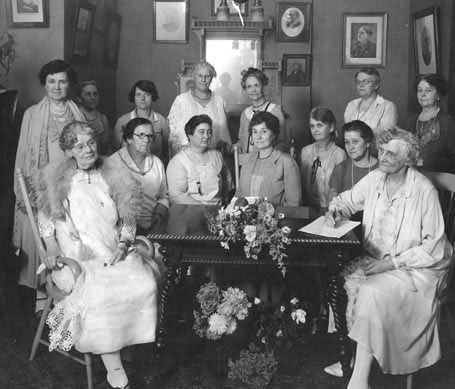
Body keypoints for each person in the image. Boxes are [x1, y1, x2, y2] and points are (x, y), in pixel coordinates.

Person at [36, 121, 161, 389]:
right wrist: (51, 249)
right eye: (79, 145)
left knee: (144, 282)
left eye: (91, 142)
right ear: (69, 151)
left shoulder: (112, 174)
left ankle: (127, 342)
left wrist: (124, 243)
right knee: (100, 293)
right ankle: (115, 371)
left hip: (112, 248)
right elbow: (46, 218)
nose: (87, 149)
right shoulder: (58, 179)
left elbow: (128, 217)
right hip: (76, 255)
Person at [324, 128, 452, 387]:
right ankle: (349, 356)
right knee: (337, 277)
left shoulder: (423, 190)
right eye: (381, 151)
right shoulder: (375, 179)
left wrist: (391, 263)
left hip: (415, 267)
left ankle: (358, 379)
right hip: (376, 258)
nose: (382, 157)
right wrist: (335, 211)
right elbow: (347, 201)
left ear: (408, 159)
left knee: (370, 291)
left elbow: (434, 246)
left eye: (390, 154)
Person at [13, 59, 85, 315]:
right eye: (51, 81)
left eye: (62, 81)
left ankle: (71, 292)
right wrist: (25, 191)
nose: (56, 87)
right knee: (44, 240)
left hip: (72, 185)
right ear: (44, 84)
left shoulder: (78, 112)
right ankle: (43, 294)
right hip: (42, 186)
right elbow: (23, 155)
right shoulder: (32, 114)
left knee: (73, 236)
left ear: (69, 84)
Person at [105, 117, 169, 235]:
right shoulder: (112, 164)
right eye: (141, 135)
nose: (146, 140)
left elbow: (163, 196)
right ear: (129, 138)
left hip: (153, 226)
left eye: (150, 136)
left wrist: (158, 214)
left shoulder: (157, 163)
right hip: (121, 230)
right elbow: (106, 204)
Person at [236, 111, 301, 206]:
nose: (258, 136)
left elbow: (294, 204)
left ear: (274, 134)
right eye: (255, 131)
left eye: (264, 131)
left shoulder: (286, 162)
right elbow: (238, 198)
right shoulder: (247, 161)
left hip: (277, 219)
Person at [168, 61, 232, 158]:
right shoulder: (181, 101)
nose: (203, 79)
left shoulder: (219, 101)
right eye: (200, 76)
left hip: (213, 158)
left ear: (212, 78)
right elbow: (173, 134)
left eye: (207, 76)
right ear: (193, 77)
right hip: (186, 158)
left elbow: (223, 134)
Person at [167, 114, 233, 205]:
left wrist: (226, 204)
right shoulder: (178, 162)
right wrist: (204, 210)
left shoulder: (216, 155)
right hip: (191, 211)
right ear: (190, 134)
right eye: (201, 132)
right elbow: (177, 195)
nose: (206, 136)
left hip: (219, 209)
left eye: (209, 132)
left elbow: (227, 180)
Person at [405, 73, 455, 172]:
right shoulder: (411, 121)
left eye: (428, 90)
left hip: (440, 179)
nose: (423, 94)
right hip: (412, 175)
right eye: (420, 90)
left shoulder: (447, 122)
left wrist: (424, 162)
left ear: (438, 95)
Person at [113, 80, 170, 164]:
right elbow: (115, 150)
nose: (142, 98)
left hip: (154, 168)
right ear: (134, 97)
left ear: (152, 96)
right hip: (128, 168)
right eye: (138, 94)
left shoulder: (161, 120)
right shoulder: (122, 121)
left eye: (147, 94)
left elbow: (166, 151)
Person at [300, 107, 346, 208]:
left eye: (319, 125)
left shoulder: (339, 155)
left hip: (328, 208)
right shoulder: (305, 152)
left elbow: (338, 190)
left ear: (331, 127)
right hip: (306, 208)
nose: (315, 130)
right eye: (312, 126)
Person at [237, 67, 287, 154]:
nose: (253, 90)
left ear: (263, 86)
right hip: (247, 163)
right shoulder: (245, 114)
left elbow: (282, 142)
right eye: (249, 86)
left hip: (268, 163)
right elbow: (242, 141)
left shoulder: (274, 110)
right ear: (245, 90)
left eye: (256, 85)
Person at [329, 120, 378, 201]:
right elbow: (333, 203)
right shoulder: (340, 169)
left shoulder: (381, 169)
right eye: (347, 142)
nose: (350, 147)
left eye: (355, 142)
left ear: (368, 142)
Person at [344, 67, 397, 136]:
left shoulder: (388, 106)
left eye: (365, 81)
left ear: (376, 85)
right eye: (358, 82)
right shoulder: (351, 105)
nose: (361, 85)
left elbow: (386, 137)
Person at [76, 80, 111, 155]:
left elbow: (107, 147)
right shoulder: (75, 117)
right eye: (88, 94)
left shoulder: (103, 118)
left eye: (95, 94)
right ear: (79, 98)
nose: (93, 97)